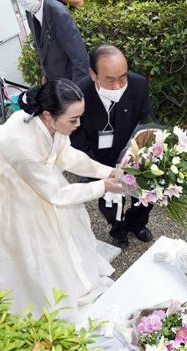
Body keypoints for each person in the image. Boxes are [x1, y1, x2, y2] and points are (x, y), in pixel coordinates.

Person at [0, 79, 124, 321]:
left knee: (58, 230)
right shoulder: (22, 146)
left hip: (32, 173)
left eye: (80, 117)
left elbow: (65, 154)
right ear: (49, 116)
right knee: (19, 240)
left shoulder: (49, 124)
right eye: (73, 120)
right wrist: (102, 186)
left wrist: (105, 171)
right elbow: (56, 195)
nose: (78, 125)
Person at [71, 45, 156, 249]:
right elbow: (75, 135)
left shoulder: (137, 84)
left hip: (131, 152)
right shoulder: (78, 93)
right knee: (110, 199)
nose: (118, 85)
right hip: (98, 157)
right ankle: (117, 228)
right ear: (93, 74)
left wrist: (143, 151)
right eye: (109, 79)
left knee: (146, 194)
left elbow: (148, 119)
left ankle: (137, 222)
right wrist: (97, 169)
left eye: (123, 77)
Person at [18, 0, 89, 83]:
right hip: (53, 83)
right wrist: (45, 73)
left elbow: (80, 59)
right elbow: (40, 46)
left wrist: (75, 91)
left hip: (70, 83)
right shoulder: (30, 12)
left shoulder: (57, 12)